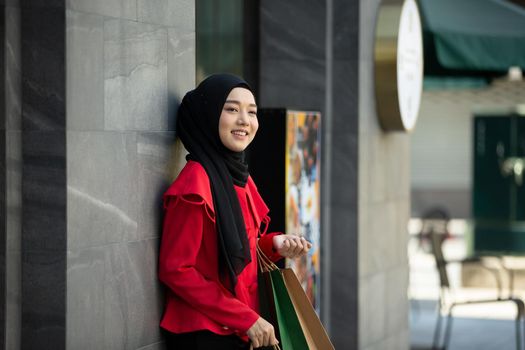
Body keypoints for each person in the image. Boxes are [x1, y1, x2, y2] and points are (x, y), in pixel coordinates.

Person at [158, 74, 311, 349]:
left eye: (251, 112)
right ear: (208, 115)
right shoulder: (195, 183)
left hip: (241, 328)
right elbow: (176, 269)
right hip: (206, 334)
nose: (244, 120)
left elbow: (235, 247)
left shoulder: (239, 177)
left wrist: (273, 244)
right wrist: (244, 318)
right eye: (231, 109)